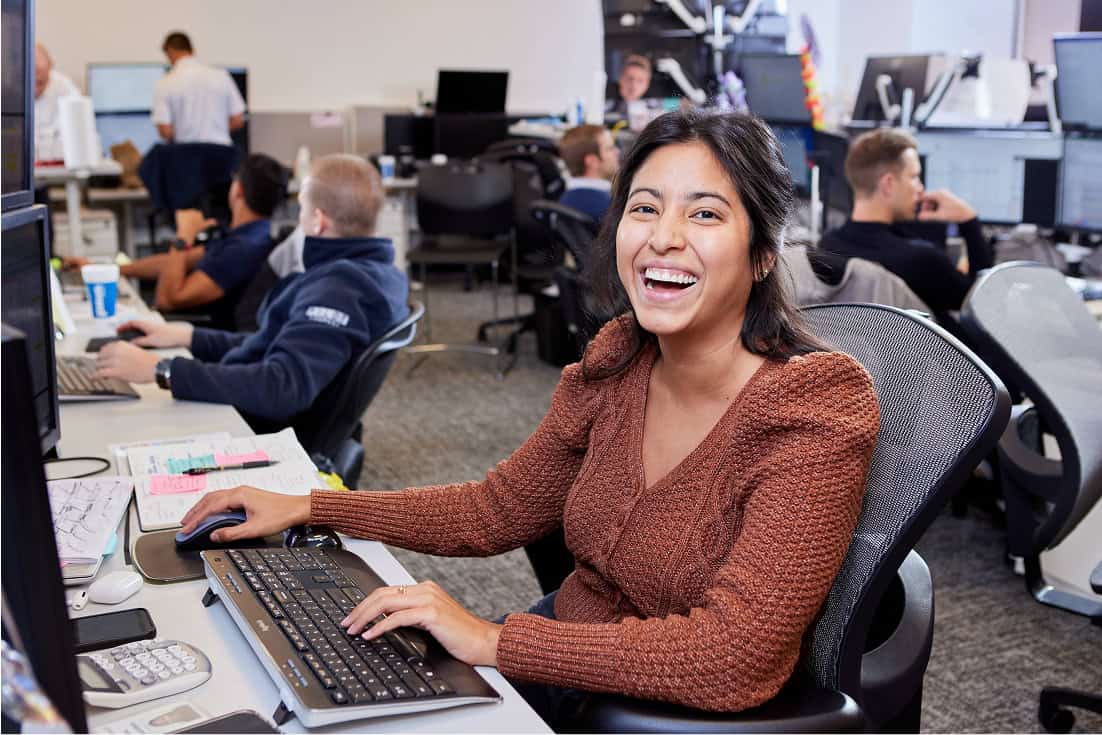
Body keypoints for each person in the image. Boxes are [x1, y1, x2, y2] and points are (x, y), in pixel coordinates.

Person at [177, 111, 880, 724]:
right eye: (644, 208)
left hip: (660, 713)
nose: (663, 237)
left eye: (705, 214)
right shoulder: (621, 358)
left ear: (762, 255)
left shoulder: (813, 405)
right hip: (560, 661)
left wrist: (493, 640)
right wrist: (311, 506)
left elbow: (735, 655)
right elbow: (496, 509)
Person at [94, 154, 408, 425]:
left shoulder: (338, 289)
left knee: (114, 422)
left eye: (301, 208)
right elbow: (272, 343)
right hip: (251, 410)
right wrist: (188, 337)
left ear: (318, 221)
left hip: (257, 430)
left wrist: (162, 370)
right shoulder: (373, 273)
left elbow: (281, 387)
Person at [66, 153, 285, 328]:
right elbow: (171, 263)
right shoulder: (249, 234)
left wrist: (183, 237)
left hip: (198, 340)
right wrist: (105, 270)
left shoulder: (242, 249)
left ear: (238, 190)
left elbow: (168, 300)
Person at [816, 128, 993, 322]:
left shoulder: (828, 245)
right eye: (914, 177)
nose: (920, 188)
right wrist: (969, 221)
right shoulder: (922, 260)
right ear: (888, 184)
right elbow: (983, 303)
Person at [152, 32, 245, 145]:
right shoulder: (221, 76)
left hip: (186, 150)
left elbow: (165, 131)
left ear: (169, 51)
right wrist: (217, 132)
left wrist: (187, 133)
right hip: (221, 150)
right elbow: (237, 120)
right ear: (192, 50)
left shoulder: (165, 82)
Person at [557, 124, 620, 221]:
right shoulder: (611, 208)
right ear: (592, 161)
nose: (617, 152)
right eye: (610, 149)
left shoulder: (562, 202)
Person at [33, 43, 79, 161]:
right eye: (32, 72)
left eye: (40, 71)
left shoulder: (67, 90)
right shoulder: (9, 90)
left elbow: (74, 139)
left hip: (55, 167)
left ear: (50, 67)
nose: (36, 77)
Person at [606, 54, 652, 118]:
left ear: (647, 84)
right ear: (620, 79)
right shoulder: (602, 105)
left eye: (640, 80)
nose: (633, 85)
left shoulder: (656, 110)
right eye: (629, 79)